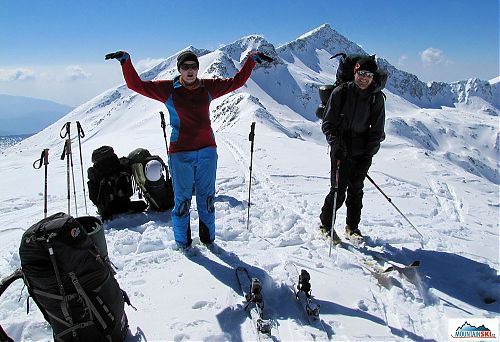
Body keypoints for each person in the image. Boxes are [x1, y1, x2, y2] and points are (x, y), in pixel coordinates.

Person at [105, 49, 273, 249]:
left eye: (194, 66)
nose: (190, 70)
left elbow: (236, 82)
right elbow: (136, 85)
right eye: (185, 67)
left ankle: (208, 240)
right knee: (183, 200)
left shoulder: (208, 87)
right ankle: (183, 244)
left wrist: (251, 60)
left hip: (207, 152)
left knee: (207, 198)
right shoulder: (168, 89)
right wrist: (126, 62)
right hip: (180, 154)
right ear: (179, 69)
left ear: (198, 69)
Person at [320, 57, 385, 242]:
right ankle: (325, 225)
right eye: (362, 74)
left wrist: (368, 154)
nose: (365, 78)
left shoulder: (376, 98)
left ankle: (352, 227)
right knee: (338, 189)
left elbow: (378, 130)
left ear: (373, 78)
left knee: (357, 189)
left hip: (362, 150)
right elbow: (328, 123)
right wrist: (335, 144)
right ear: (355, 72)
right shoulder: (341, 92)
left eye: (369, 75)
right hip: (340, 147)